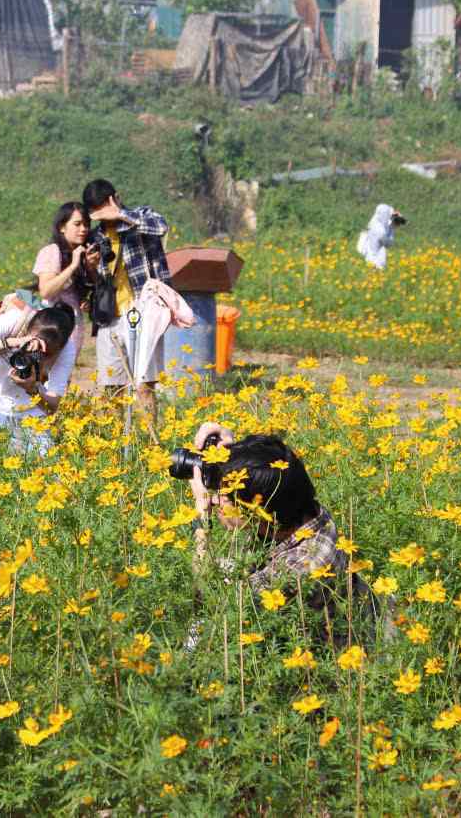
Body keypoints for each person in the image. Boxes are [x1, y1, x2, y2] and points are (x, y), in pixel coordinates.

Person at [182, 421, 384, 648]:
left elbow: (211, 601)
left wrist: (202, 521)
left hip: (319, 663)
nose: (216, 499)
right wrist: (231, 452)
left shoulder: (302, 568)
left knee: (196, 636)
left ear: (258, 512)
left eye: (223, 495)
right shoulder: (300, 510)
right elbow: (268, 473)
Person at [80, 178, 172, 428]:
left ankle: (149, 446)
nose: (105, 217)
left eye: (105, 208)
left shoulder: (140, 217)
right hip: (110, 317)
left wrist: (121, 214)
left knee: (144, 386)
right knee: (111, 389)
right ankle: (115, 450)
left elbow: (162, 226)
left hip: (145, 312)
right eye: (98, 212)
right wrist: (89, 267)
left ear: (116, 198)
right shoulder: (94, 236)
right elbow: (92, 282)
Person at [0, 303, 77, 456]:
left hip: (28, 416)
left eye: (46, 354)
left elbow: (52, 407)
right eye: (35, 344)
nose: (38, 354)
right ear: (28, 330)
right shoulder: (14, 321)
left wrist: (32, 389)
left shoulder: (67, 348)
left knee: (49, 467)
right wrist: (11, 342)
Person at [32, 201, 89, 352]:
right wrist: (72, 266)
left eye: (86, 224)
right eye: (77, 224)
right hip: (52, 325)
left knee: (64, 372)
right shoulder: (52, 251)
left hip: (72, 323)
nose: (83, 229)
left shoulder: (80, 253)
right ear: (62, 227)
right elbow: (46, 291)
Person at [355, 203, 406, 270]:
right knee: (375, 265)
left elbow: (388, 213)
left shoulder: (379, 222)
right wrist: (393, 226)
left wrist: (395, 216)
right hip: (374, 257)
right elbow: (388, 243)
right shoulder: (379, 228)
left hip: (374, 253)